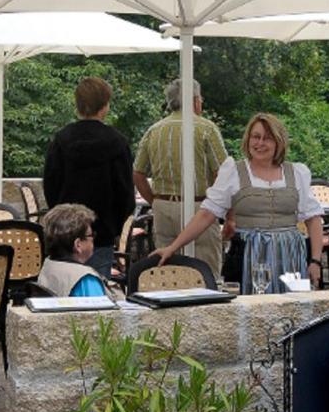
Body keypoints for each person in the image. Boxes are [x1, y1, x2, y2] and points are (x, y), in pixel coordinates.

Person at [152, 113, 324, 293]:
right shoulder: (233, 172)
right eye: (255, 137)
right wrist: (173, 247)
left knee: (293, 310)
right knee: (250, 311)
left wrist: (315, 261)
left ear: (279, 142)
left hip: (290, 257)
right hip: (248, 256)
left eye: (267, 138)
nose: (259, 143)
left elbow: (313, 219)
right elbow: (207, 214)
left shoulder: (296, 172)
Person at [133, 79, 228, 278]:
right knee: (205, 271)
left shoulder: (154, 130)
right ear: (195, 101)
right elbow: (223, 173)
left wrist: (155, 201)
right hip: (199, 207)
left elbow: (138, 174)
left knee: (168, 271)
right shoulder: (206, 129)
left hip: (163, 207)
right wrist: (228, 213)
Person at [43, 77, 134, 279]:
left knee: (63, 286)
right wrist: (114, 226)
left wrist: (61, 217)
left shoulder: (61, 140)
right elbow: (125, 191)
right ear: (104, 106)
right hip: (101, 232)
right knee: (96, 288)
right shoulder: (117, 142)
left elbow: (50, 184)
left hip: (65, 232)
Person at [37, 204, 111, 297]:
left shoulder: (48, 265)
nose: (93, 239)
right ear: (78, 244)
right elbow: (101, 311)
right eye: (91, 235)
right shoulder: (86, 279)